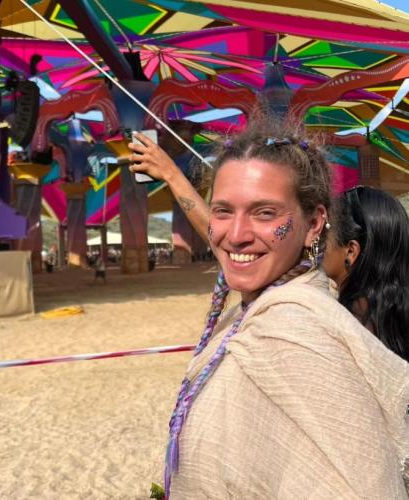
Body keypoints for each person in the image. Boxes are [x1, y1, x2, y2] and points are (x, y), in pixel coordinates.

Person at [129, 121, 409, 498]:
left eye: (264, 213)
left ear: (314, 224)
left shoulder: (296, 333)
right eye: (223, 211)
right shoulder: (264, 303)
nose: (236, 234)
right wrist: (172, 176)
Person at [323, 185, 409, 362]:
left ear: (351, 251)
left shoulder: (342, 330)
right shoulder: (396, 317)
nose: (318, 243)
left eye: (326, 234)